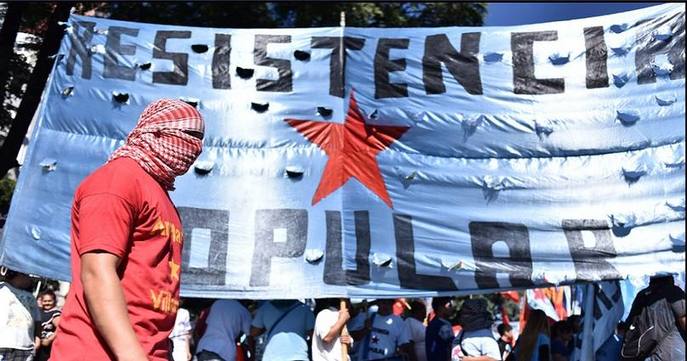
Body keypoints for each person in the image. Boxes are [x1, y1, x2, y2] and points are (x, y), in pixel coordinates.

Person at [51, 99, 205, 361]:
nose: (195, 147)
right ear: (155, 130)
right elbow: (97, 272)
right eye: (188, 135)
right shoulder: (117, 180)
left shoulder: (161, 195)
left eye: (200, 139)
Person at [622, 274, 686, 360]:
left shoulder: (641, 295)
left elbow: (628, 326)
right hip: (673, 355)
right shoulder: (674, 292)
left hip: (649, 355)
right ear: (670, 278)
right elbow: (683, 320)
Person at [249, 300, 315, 361]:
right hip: (298, 356)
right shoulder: (304, 309)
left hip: (272, 357)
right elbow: (313, 335)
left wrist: (266, 328)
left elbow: (253, 332)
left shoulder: (265, 308)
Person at [351, 298, 415, 361]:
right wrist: (365, 330)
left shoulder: (399, 321)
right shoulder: (367, 316)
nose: (385, 306)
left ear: (392, 304)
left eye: (388, 303)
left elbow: (404, 345)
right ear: (378, 303)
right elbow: (351, 338)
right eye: (383, 302)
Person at [0, 267, 41, 361]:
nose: (30, 278)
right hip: (3, 343)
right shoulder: (2, 288)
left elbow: (37, 320)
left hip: (26, 346)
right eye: (27, 275)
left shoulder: (31, 297)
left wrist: (38, 338)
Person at [35, 289, 62, 361]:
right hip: (37, 345)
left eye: (49, 301)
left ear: (54, 301)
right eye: (45, 301)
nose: (47, 303)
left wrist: (50, 339)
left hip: (46, 349)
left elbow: (60, 328)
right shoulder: (39, 312)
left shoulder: (55, 314)